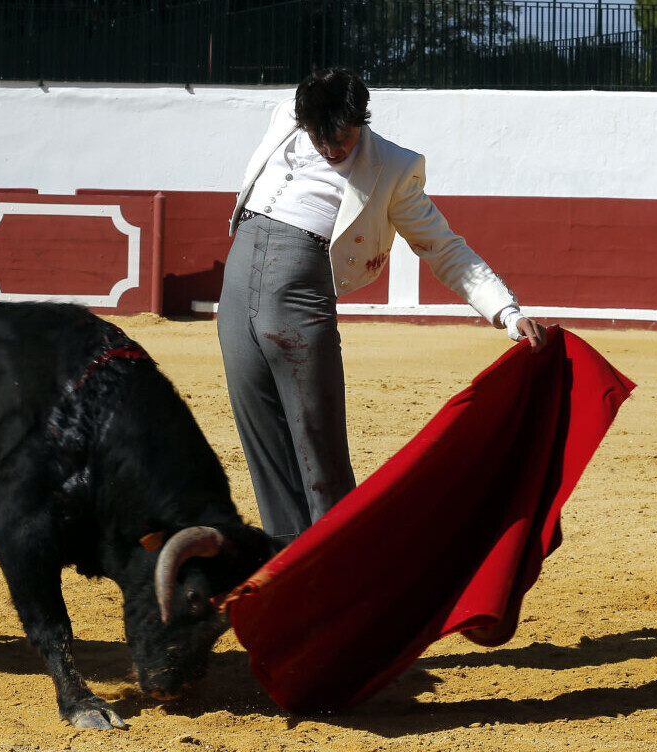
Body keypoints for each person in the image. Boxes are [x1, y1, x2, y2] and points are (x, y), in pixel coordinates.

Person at [218, 67, 547, 544]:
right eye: (320, 137)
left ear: (362, 120)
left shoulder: (392, 167)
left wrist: (507, 312)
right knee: (262, 441)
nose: (331, 149)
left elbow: (443, 246)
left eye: (342, 138)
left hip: (300, 297)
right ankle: (287, 564)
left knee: (319, 450)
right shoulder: (287, 116)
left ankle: (341, 561)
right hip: (235, 290)